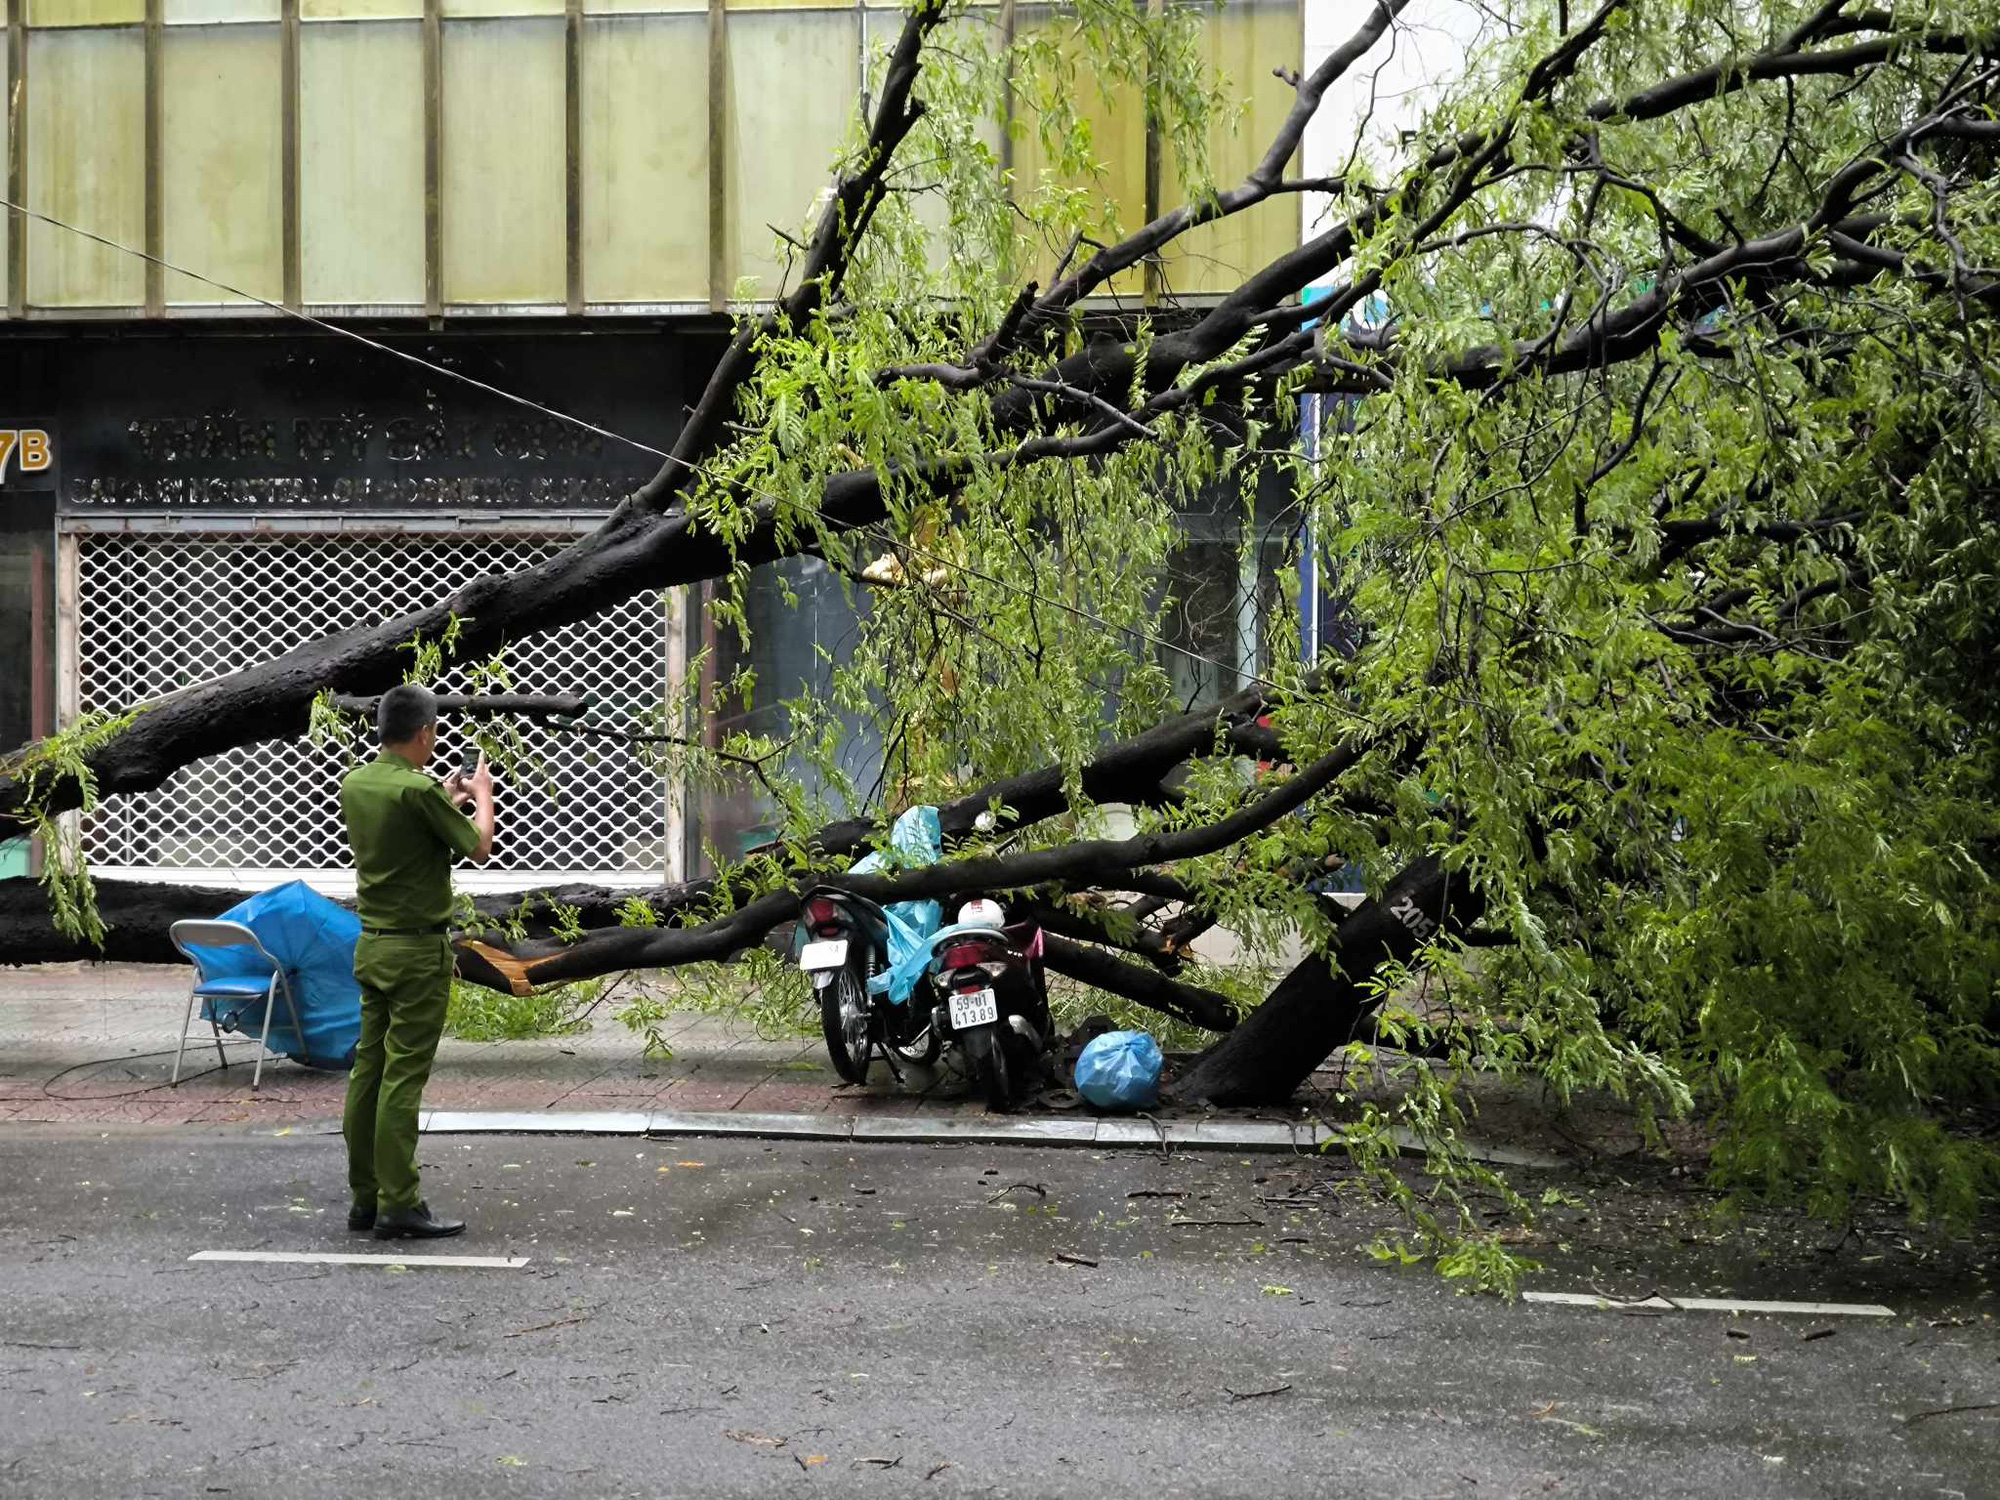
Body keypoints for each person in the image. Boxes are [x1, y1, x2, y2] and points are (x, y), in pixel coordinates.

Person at [338, 683, 495, 1240]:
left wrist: (442, 798)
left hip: (373, 942)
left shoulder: (356, 783)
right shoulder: (419, 790)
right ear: (425, 732)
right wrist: (481, 796)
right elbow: (478, 849)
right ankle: (400, 1202)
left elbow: (405, 832)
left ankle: (364, 1197)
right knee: (403, 1077)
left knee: (368, 1070)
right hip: (417, 950)